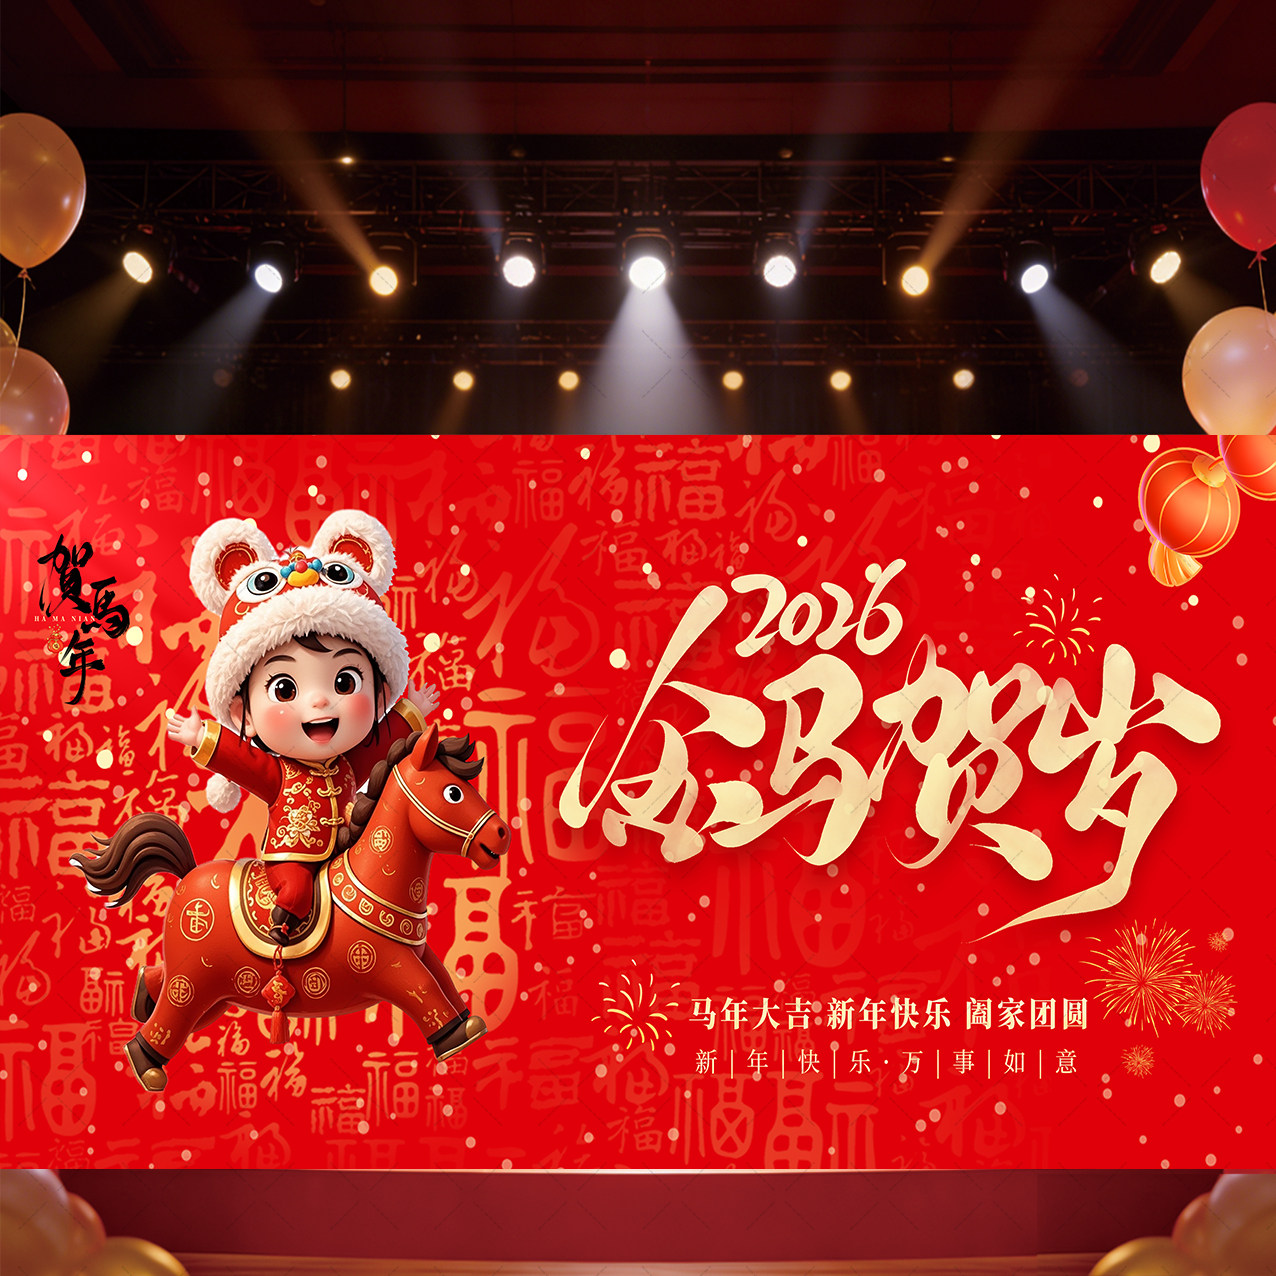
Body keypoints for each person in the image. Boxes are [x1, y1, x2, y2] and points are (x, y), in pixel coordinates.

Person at [166, 510, 435, 946]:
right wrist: (202, 738)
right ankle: (280, 942)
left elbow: (381, 748)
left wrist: (410, 713)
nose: (319, 702)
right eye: (286, 688)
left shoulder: (350, 764)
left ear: (380, 690)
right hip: (293, 856)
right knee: (295, 892)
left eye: (344, 682)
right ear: (244, 713)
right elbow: (245, 762)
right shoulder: (279, 775)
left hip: (349, 847)